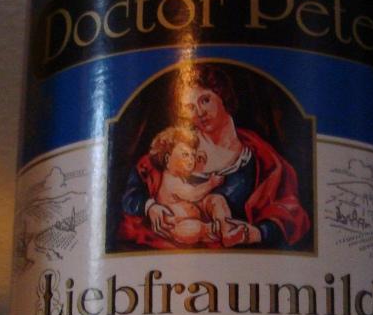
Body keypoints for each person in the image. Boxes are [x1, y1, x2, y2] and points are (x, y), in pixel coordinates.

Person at [119, 64, 310, 249]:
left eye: (205, 100)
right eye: (190, 107)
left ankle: (226, 229)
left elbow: (288, 213)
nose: (200, 112)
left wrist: (256, 233)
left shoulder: (260, 156)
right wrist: (150, 207)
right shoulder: (176, 149)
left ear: (222, 96)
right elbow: (131, 194)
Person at [147, 125, 246, 247]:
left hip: (196, 214)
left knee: (216, 199)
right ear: (168, 159)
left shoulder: (179, 176)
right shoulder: (170, 180)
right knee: (190, 229)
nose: (191, 160)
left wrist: (199, 162)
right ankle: (212, 230)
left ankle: (226, 229)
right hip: (178, 224)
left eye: (192, 155)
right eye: (185, 155)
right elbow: (192, 195)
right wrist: (211, 183)